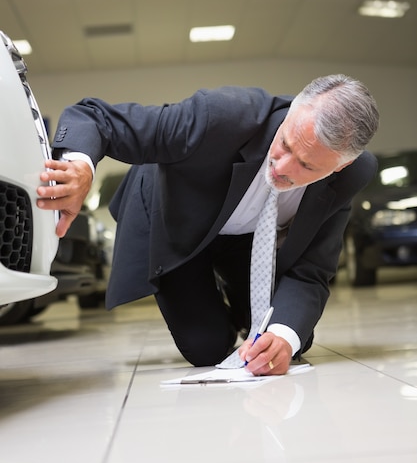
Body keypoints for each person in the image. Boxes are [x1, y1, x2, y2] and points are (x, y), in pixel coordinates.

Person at [36, 74, 379, 375]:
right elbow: (94, 117)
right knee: (207, 348)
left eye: (306, 165)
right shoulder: (220, 117)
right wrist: (79, 167)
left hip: (250, 239)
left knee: (291, 340)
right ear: (292, 113)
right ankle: (208, 302)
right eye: (286, 143)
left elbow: (311, 271)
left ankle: (243, 302)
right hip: (181, 219)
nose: (282, 167)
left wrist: (283, 336)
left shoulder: (354, 173)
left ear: (338, 167)